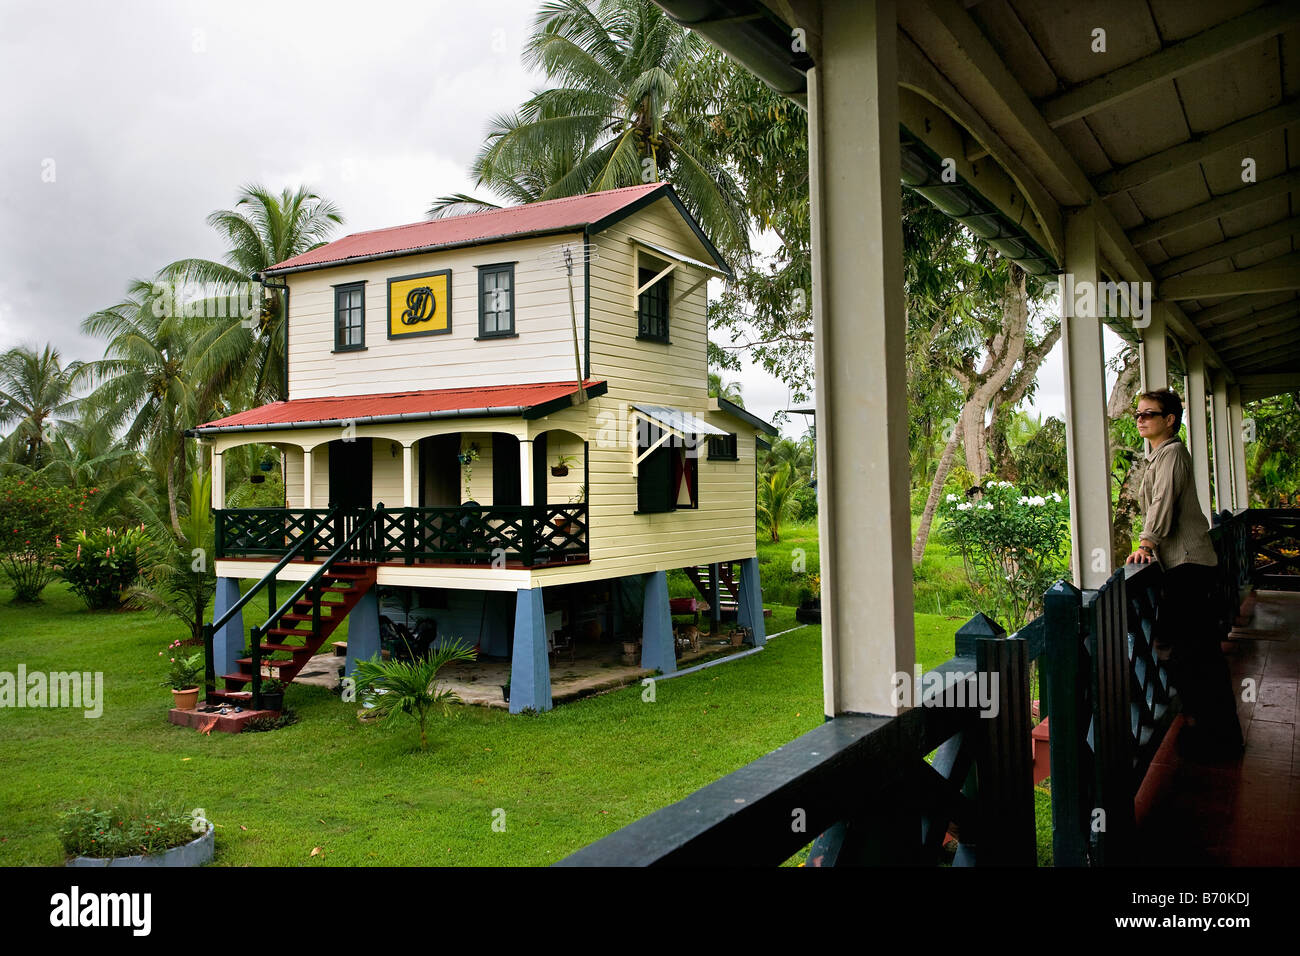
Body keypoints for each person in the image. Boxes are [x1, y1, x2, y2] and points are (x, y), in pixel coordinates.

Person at [1125, 387, 1243, 760]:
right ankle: (1215, 733)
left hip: (1189, 566)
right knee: (1195, 652)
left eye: (1148, 414)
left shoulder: (1173, 453)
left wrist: (1145, 544)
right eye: (1138, 414)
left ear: (1169, 419)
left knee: (1187, 651)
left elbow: (1162, 504)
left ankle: (1218, 736)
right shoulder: (1161, 455)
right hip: (1186, 565)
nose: (1141, 419)